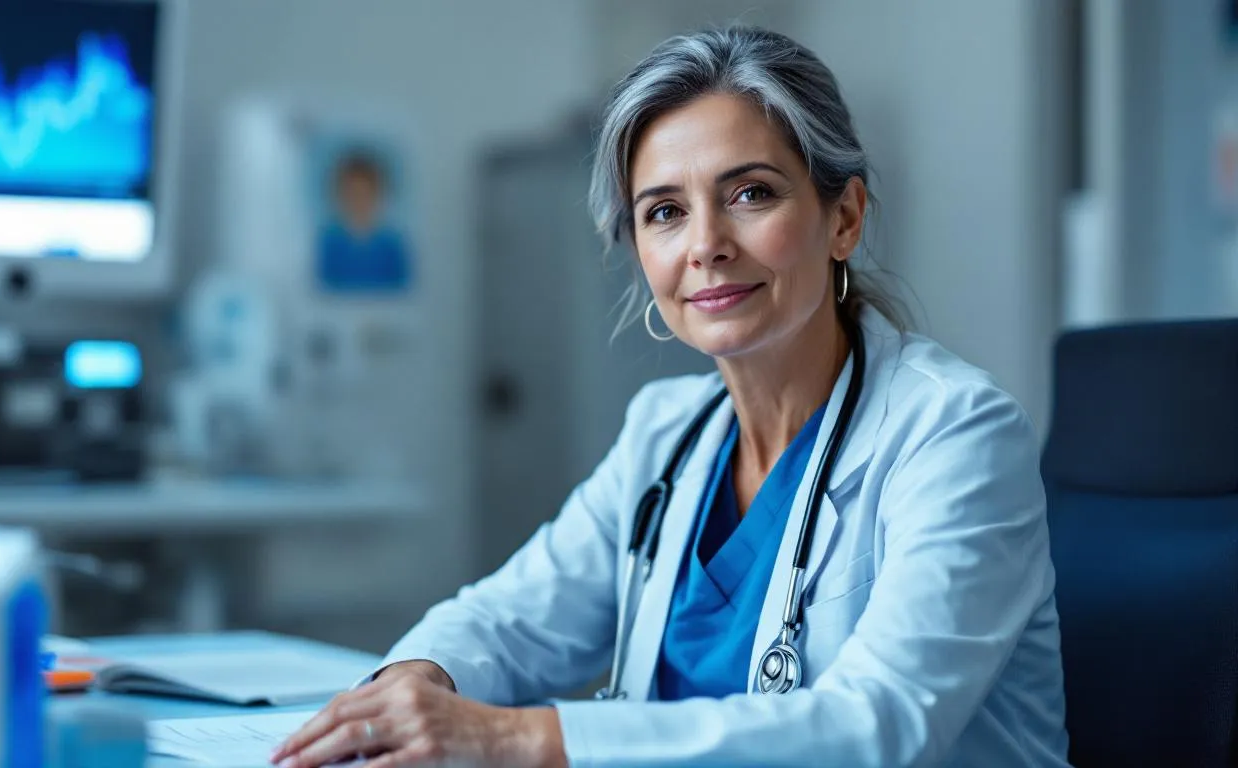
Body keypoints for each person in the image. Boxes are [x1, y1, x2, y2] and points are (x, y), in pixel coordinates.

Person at [272, 25, 1070, 768]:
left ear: (845, 218)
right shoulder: (667, 436)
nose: (706, 245)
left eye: (751, 193)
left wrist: (517, 738)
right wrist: (415, 684)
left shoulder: (955, 434)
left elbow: (878, 726)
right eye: (665, 212)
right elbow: (511, 617)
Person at [316, 152, 411, 292]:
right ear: (338, 196)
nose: (358, 200)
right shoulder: (329, 243)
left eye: (364, 193)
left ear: (378, 194)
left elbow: (403, 289)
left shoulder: (392, 245)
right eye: (351, 193)